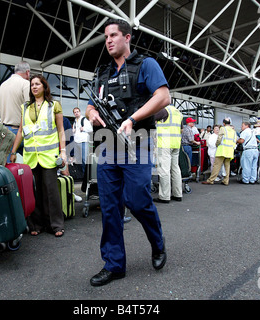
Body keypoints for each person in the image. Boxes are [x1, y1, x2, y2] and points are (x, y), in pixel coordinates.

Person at [86, 18, 169, 286]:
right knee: (110, 208)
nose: (108, 40)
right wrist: (92, 114)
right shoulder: (101, 72)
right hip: (108, 146)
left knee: (136, 200)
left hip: (138, 142)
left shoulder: (146, 65)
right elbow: (89, 106)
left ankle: (157, 243)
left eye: (113, 35)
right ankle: (114, 265)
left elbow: (163, 97)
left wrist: (132, 119)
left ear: (127, 38)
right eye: (106, 37)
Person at [10, 74, 67, 238]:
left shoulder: (54, 105)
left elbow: (61, 130)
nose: (34, 87)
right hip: (31, 157)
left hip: (48, 156)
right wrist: (13, 152)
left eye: (37, 84)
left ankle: (56, 224)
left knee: (51, 191)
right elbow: (21, 131)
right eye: (32, 85)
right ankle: (36, 224)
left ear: (44, 86)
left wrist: (63, 152)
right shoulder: (25, 107)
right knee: (33, 191)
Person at [0, 61, 31, 159]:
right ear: (27, 72)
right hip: (20, 131)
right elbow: (30, 109)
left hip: (4, 130)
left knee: (9, 165)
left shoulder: (3, 85)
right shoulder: (25, 84)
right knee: (29, 166)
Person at [153, 105, 183, 203]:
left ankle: (164, 196)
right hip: (176, 143)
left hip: (164, 144)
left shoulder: (164, 110)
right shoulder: (178, 113)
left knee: (164, 170)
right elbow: (181, 129)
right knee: (175, 169)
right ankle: (178, 194)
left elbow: (150, 119)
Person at [202, 118, 237, 186]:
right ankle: (226, 180)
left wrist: (217, 144)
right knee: (227, 166)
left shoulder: (223, 129)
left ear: (224, 123)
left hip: (222, 150)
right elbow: (234, 141)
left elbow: (219, 138)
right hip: (229, 151)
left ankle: (211, 180)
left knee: (216, 165)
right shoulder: (233, 131)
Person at [72, 107, 93, 173]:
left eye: (77, 111)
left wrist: (83, 129)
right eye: (75, 112)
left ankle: (86, 175)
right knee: (78, 160)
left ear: (80, 112)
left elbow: (90, 129)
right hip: (76, 142)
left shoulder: (84, 119)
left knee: (84, 159)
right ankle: (82, 175)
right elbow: (75, 132)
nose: (76, 113)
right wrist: (73, 131)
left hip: (83, 141)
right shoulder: (75, 121)